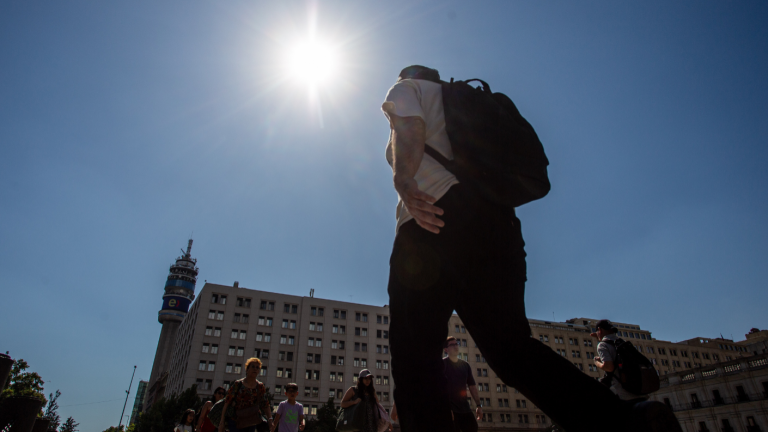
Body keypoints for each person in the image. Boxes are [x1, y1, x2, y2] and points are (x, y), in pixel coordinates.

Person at [381, 65, 682, 432]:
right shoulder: (456, 102)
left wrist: (403, 180)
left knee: (415, 354)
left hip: (431, 222)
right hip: (496, 225)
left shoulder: (408, 87)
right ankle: (622, 420)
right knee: (510, 348)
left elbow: (409, 127)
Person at [592, 319, 647, 402]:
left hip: (621, 393)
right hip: (638, 390)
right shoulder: (622, 343)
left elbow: (609, 367)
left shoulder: (602, 345)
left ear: (599, 330)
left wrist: (597, 363)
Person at [218, 357, 273, 432]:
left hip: (251, 421)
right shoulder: (238, 384)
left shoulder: (260, 386)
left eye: (257, 367)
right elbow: (227, 402)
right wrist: (222, 422)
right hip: (236, 421)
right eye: (252, 366)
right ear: (247, 369)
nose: (255, 369)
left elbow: (265, 404)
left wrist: (270, 419)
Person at [443, 336, 481, 432]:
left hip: (465, 408)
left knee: (473, 428)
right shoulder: (443, 364)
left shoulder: (465, 365)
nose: (456, 346)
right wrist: (446, 408)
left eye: (456, 344)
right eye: (452, 345)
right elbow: (438, 387)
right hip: (450, 409)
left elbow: (472, 386)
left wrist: (479, 406)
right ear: (446, 349)